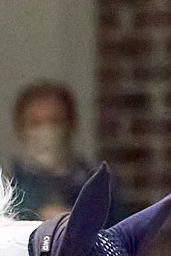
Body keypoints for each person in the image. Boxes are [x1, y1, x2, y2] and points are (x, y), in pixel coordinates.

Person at [7, 81, 110, 222]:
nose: (47, 131)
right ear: (20, 129)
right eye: (36, 123)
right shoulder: (8, 192)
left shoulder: (98, 185)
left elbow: (122, 233)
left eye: (55, 121)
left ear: (72, 124)